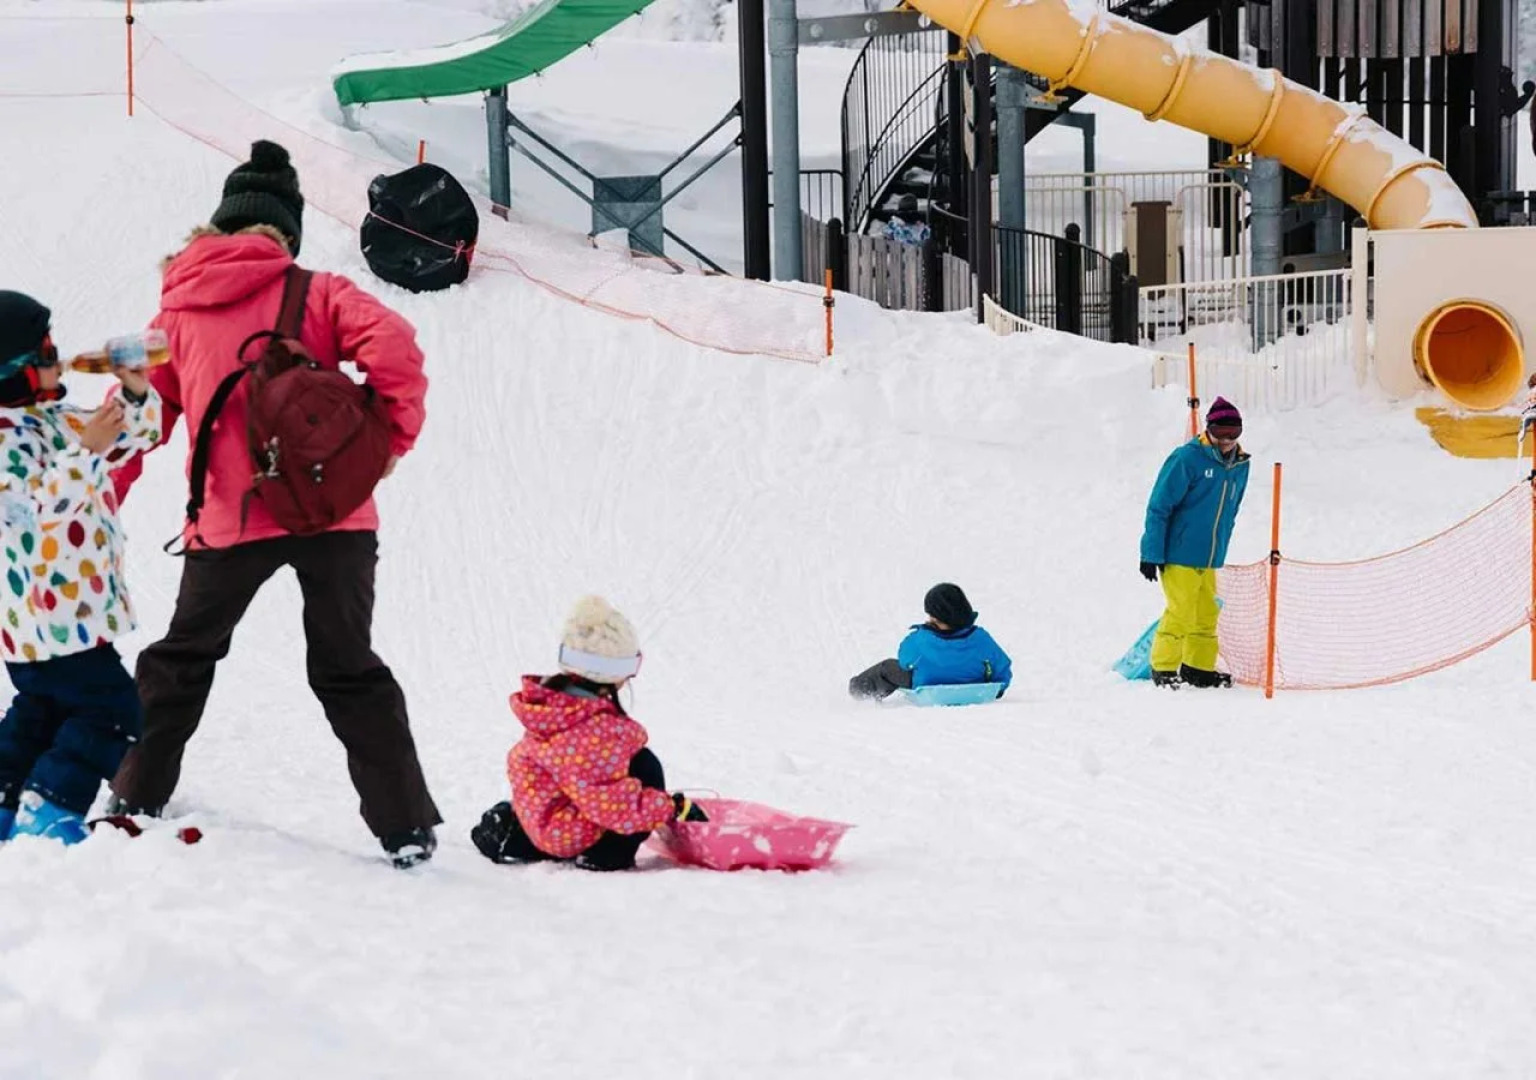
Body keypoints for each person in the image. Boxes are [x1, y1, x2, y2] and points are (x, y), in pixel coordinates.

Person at [104, 139, 442, 869]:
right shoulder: (320, 292)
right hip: (335, 517)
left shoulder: (173, 313)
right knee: (349, 668)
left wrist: (100, 502)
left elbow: (132, 417)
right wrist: (386, 448)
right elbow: (399, 350)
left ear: (221, 228)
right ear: (286, 232)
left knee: (182, 660)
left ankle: (134, 796)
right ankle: (406, 829)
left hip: (228, 522)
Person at [0, 291, 162, 844]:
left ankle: (7, 799)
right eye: (45, 353)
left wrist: (135, 390)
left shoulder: (52, 419)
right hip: (46, 616)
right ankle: (50, 807)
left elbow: (133, 439)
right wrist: (86, 452)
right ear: (14, 372)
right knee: (112, 709)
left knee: (42, 710)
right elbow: (35, 510)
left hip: (69, 614)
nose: (57, 359)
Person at [470, 595, 705, 872]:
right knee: (645, 765)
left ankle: (522, 836)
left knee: (625, 765)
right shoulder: (596, 731)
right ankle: (608, 854)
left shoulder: (555, 704)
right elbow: (610, 802)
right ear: (612, 672)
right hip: (564, 834)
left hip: (540, 816)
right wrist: (670, 808)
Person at [1139, 396, 1251, 689]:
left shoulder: (1240, 464)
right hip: (1179, 552)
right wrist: (1151, 552)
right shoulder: (1187, 458)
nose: (1227, 441)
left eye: (1233, 434)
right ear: (1208, 429)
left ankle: (1197, 668)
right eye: (1220, 434)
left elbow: (1232, 509)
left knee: (1206, 613)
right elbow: (1159, 506)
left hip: (1209, 556)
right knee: (1180, 611)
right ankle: (1163, 668)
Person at [848, 583, 1012, 701]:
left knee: (888, 667)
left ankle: (858, 689)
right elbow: (1002, 668)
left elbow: (905, 661)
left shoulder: (921, 639)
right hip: (972, 683)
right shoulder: (982, 638)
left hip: (927, 685)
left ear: (935, 617)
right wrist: (997, 690)